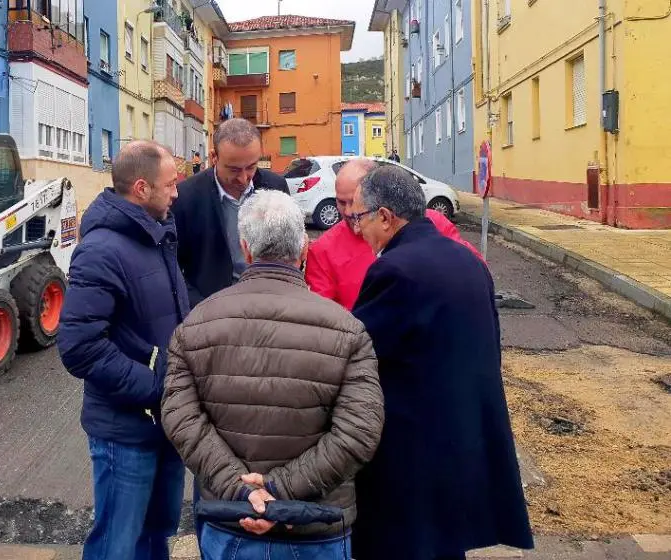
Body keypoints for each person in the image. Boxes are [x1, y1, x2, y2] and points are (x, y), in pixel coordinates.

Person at [162, 190, 384, 560]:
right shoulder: (348, 330)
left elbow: (181, 418)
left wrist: (244, 491)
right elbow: (358, 432)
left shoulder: (196, 324)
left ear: (245, 249)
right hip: (316, 525)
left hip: (231, 519)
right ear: (304, 250)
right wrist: (279, 493)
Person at [347, 165, 533, 560]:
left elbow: (359, 355)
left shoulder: (394, 269)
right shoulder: (467, 261)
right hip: (465, 435)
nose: (357, 228)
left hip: (412, 450)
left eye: (360, 217)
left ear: (385, 217)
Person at [57, 141, 190, 560]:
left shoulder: (157, 235)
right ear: (140, 188)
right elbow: (79, 346)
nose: (176, 192)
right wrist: (154, 387)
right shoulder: (100, 251)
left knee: (156, 533)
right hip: (125, 430)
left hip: (164, 423)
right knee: (118, 542)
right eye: (170, 184)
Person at [306, 158, 484, 310]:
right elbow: (323, 318)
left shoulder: (432, 224)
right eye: (341, 202)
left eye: (354, 201)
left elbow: (474, 275)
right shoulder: (323, 250)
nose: (349, 211)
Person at [172, 118, 290, 308]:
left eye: (251, 166)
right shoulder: (185, 197)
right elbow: (174, 267)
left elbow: (286, 251)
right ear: (214, 157)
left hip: (267, 304)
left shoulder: (276, 187)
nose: (243, 178)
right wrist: (201, 307)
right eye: (234, 169)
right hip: (211, 309)